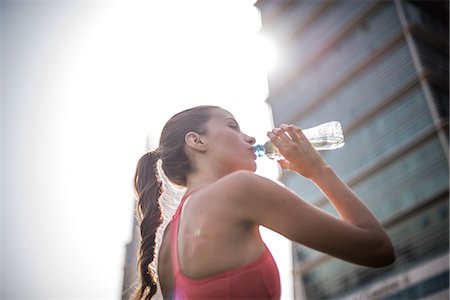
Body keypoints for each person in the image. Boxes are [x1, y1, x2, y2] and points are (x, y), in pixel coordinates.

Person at [133, 105, 395, 300]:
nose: (249, 138)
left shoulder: (167, 245)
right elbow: (377, 248)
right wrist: (318, 169)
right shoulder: (240, 189)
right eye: (233, 126)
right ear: (196, 140)